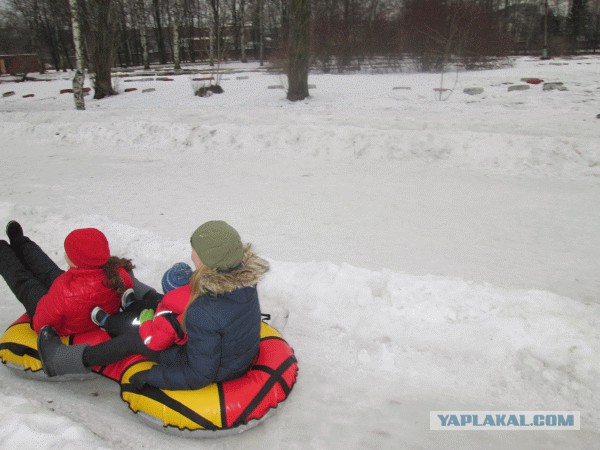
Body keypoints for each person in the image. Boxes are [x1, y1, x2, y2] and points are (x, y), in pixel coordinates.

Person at [38, 220, 270, 392]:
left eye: (195, 253)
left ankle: (62, 361)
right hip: (225, 349)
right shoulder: (241, 280)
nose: (191, 257)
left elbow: (200, 374)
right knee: (161, 306)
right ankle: (131, 308)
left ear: (209, 262)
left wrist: (153, 376)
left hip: (213, 365)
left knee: (135, 339)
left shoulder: (202, 313)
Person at [0, 221, 134, 337]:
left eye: (68, 253)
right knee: (49, 270)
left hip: (66, 321)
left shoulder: (64, 290)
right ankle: (20, 241)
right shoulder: (119, 273)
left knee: (26, 284)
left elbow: (41, 323)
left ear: (78, 262)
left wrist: (47, 300)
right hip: (77, 291)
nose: (65, 254)